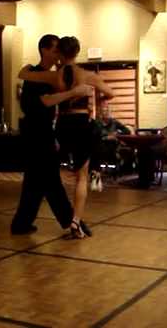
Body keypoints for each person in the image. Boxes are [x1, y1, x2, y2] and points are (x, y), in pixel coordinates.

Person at [19, 36, 114, 238]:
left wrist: (26, 70)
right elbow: (110, 93)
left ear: (62, 53)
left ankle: (23, 222)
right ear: (77, 52)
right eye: (52, 50)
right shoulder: (87, 75)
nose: (55, 54)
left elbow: (24, 74)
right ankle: (74, 221)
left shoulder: (53, 76)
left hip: (61, 127)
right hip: (69, 127)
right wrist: (92, 97)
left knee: (41, 177)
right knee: (78, 177)